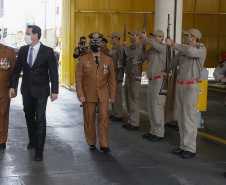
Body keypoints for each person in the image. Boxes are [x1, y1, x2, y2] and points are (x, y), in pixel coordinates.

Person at [9, 25, 59, 161]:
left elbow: (53, 73)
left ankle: (39, 151)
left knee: (41, 119)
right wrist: (12, 86)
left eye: (28, 33)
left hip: (42, 91)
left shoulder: (47, 51)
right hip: (26, 90)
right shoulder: (24, 50)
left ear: (35, 35)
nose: (26, 36)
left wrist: (55, 91)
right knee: (29, 116)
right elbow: (16, 69)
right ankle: (32, 140)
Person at [166, 28, 207, 159]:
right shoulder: (183, 50)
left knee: (189, 117)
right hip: (180, 86)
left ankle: (190, 148)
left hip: (190, 87)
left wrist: (174, 45)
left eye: (188, 35)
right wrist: (169, 52)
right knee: (182, 117)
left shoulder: (200, 49)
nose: (186, 37)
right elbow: (172, 63)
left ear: (194, 37)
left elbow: (190, 52)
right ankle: (183, 145)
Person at [75, 32, 116, 153]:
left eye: (98, 42)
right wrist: (80, 94)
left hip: (103, 94)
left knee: (104, 117)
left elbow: (112, 79)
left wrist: (112, 95)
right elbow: (78, 78)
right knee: (89, 118)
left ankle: (104, 144)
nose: (95, 44)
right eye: (93, 42)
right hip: (88, 94)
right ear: (90, 43)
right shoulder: (82, 59)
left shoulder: (108, 59)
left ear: (101, 43)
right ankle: (91, 142)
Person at [139, 30, 166, 141]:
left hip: (159, 80)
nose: (153, 38)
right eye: (153, 36)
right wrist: (143, 45)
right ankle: (153, 130)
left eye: (155, 36)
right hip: (151, 80)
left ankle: (159, 133)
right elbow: (143, 56)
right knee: (151, 106)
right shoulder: (152, 50)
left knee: (157, 106)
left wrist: (145, 38)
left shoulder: (163, 48)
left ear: (161, 38)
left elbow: (154, 44)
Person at [119, 29, 142, 130]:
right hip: (128, 75)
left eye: (133, 35)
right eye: (131, 35)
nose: (131, 36)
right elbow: (125, 57)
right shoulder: (131, 47)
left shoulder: (138, 47)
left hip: (134, 76)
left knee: (133, 99)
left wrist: (125, 47)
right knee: (128, 100)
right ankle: (130, 120)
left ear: (138, 37)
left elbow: (131, 55)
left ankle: (135, 122)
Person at [0, 44, 17, 149]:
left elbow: (14, 72)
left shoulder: (8, 52)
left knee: (3, 114)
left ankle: (2, 139)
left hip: (3, 89)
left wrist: (13, 88)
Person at [108, 32, 124, 122]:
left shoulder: (120, 49)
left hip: (117, 73)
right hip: (111, 73)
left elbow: (121, 63)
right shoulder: (112, 49)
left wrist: (120, 76)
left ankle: (119, 115)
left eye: (112, 37)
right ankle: (115, 113)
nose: (111, 39)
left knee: (117, 94)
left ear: (117, 38)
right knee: (112, 94)